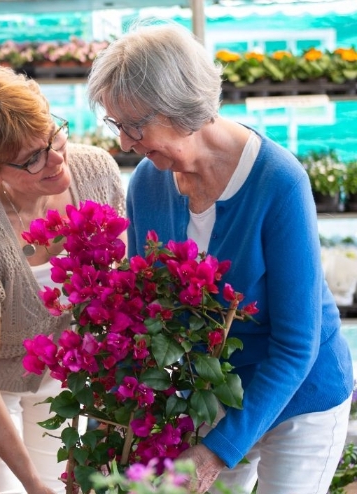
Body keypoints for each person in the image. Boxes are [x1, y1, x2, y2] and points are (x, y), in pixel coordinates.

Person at [86, 21, 354, 494]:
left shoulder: (278, 182)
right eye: (116, 125)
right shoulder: (148, 184)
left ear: (177, 108)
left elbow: (296, 346)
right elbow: (149, 315)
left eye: (133, 126)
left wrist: (215, 451)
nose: (124, 143)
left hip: (300, 394)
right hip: (211, 394)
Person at [0, 63, 126, 494]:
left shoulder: (97, 173)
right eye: (32, 158)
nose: (56, 159)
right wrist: (33, 483)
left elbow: (119, 286)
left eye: (54, 136)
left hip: (61, 372)